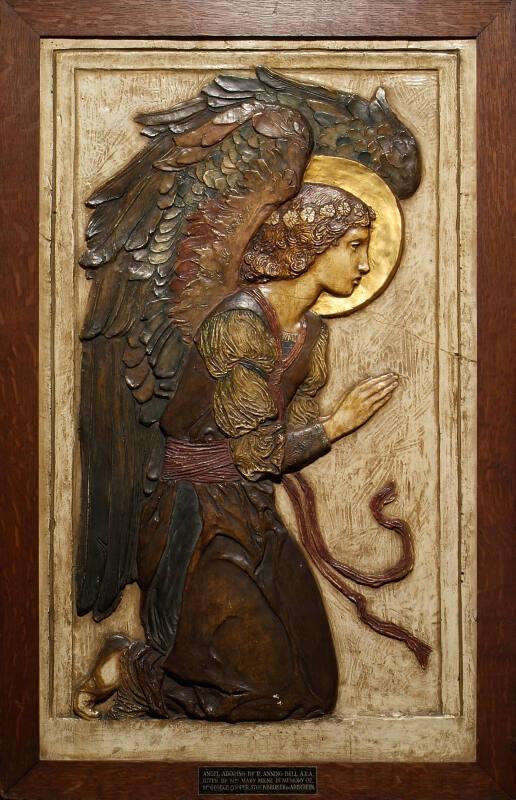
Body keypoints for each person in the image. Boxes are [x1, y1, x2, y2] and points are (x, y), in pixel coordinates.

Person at [74, 182, 399, 722]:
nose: (364, 264)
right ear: (311, 245)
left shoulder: (311, 334)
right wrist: (338, 425)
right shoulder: (240, 324)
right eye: (354, 245)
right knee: (264, 691)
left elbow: (288, 438)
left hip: (252, 510)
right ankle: (133, 669)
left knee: (315, 691)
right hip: (194, 519)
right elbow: (256, 452)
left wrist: (321, 428)